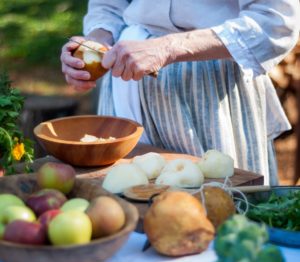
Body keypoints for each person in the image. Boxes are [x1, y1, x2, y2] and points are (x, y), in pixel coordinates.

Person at [60, 0, 300, 185]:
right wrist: (94, 44)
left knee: (219, 210)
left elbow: (275, 22)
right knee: (125, 211)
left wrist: (168, 48)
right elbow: (108, 5)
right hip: (125, 83)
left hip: (211, 87)